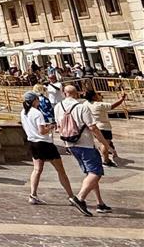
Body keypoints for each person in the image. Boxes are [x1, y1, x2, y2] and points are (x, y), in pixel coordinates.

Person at [55, 84, 111, 215]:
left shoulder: (58, 107)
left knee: (90, 174)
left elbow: (58, 126)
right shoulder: (82, 107)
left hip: (70, 144)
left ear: (64, 93)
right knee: (95, 173)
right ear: (77, 94)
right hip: (85, 144)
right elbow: (93, 128)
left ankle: (100, 203)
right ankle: (80, 198)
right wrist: (105, 144)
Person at [20, 91, 75, 206]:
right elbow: (42, 131)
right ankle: (71, 196)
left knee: (37, 170)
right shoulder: (37, 113)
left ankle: (33, 195)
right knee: (61, 171)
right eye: (37, 99)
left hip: (32, 143)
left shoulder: (23, 113)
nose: (39, 101)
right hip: (44, 143)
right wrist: (51, 127)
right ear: (34, 100)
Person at [85, 88, 126, 167]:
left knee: (104, 142)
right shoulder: (99, 105)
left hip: (93, 127)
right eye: (96, 94)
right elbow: (112, 106)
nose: (98, 96)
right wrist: (122, 99)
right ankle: (106, 161)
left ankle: (110, 151)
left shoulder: (85, 104)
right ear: (93, 97)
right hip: (103, 127)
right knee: (105, 143)